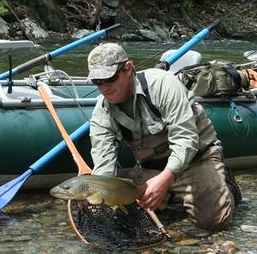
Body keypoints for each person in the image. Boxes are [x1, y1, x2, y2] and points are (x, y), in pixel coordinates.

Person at [87, 42, 241, 230]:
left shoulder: (162, 84)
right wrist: (101, 198)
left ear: (128, 68)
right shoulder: (102, 110)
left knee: (214, 221)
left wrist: (165, 178)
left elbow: (186, 139)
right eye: (97, 82)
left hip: (196, 160)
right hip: (151, 168)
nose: (104, 88)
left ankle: (225, 183)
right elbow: (104, 163)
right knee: (124, 217)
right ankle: (170, 195)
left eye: (110, 79)